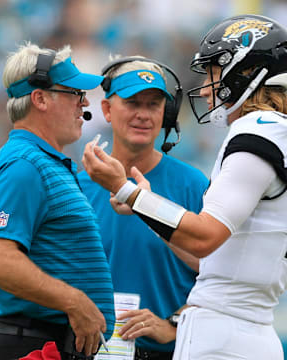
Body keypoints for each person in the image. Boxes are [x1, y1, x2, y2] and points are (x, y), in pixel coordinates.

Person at [82, 14, 287, 360]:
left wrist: (125, 189)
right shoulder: (271, 130)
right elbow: (210, 255)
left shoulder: (258, 130)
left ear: (248, 72)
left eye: (214, 73)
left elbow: (203, 238)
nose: (206, 88)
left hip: (226, 334)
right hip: (238, 328)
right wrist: (140, 205)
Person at [0, 42, 115, 360]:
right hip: (33, 344)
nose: (85, 103)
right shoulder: (24, 164)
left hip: (47, 343)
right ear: (39, 98)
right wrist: (74, 301)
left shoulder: (42, 162)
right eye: (75, 94)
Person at [78, 55, 209, 360]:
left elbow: (223, 275)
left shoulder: (193, 185)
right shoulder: (76, 186)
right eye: (133, 103)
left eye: (153, 104)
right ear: (107, 110)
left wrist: (174, 326)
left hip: (170, 352)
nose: (144, 114)